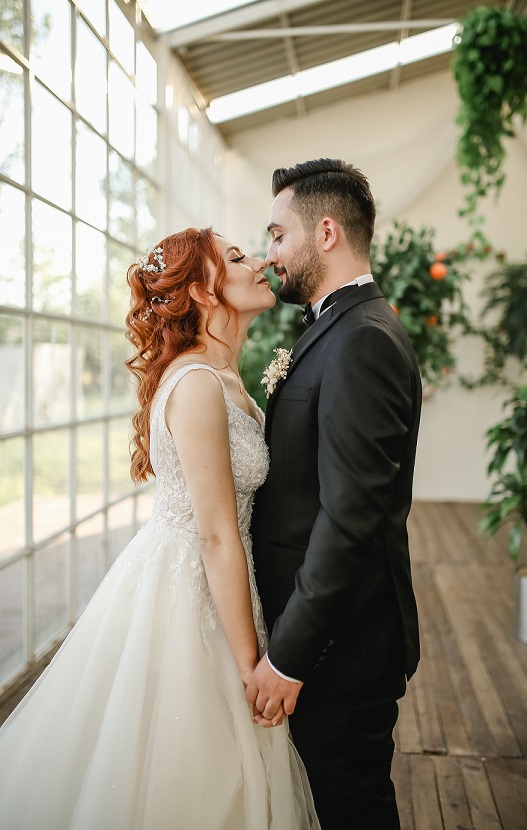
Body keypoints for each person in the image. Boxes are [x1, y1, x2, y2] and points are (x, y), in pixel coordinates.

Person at [0, 227, 320, 829]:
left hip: (223, 580)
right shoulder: (197, 384)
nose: (257, 263)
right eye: (235, 258)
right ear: (202, 290)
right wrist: (252, 664)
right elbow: (217, 535)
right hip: (191, 594)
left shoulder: (225, 377)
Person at [247, 158, 422, 830]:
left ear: (324, 233)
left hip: (340, 649)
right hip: (327, 637)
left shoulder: (362, 340)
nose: (271, 255)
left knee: (350, 810)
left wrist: (288, 656)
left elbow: (349, 517)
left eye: (276, 235)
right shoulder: (340, 327)